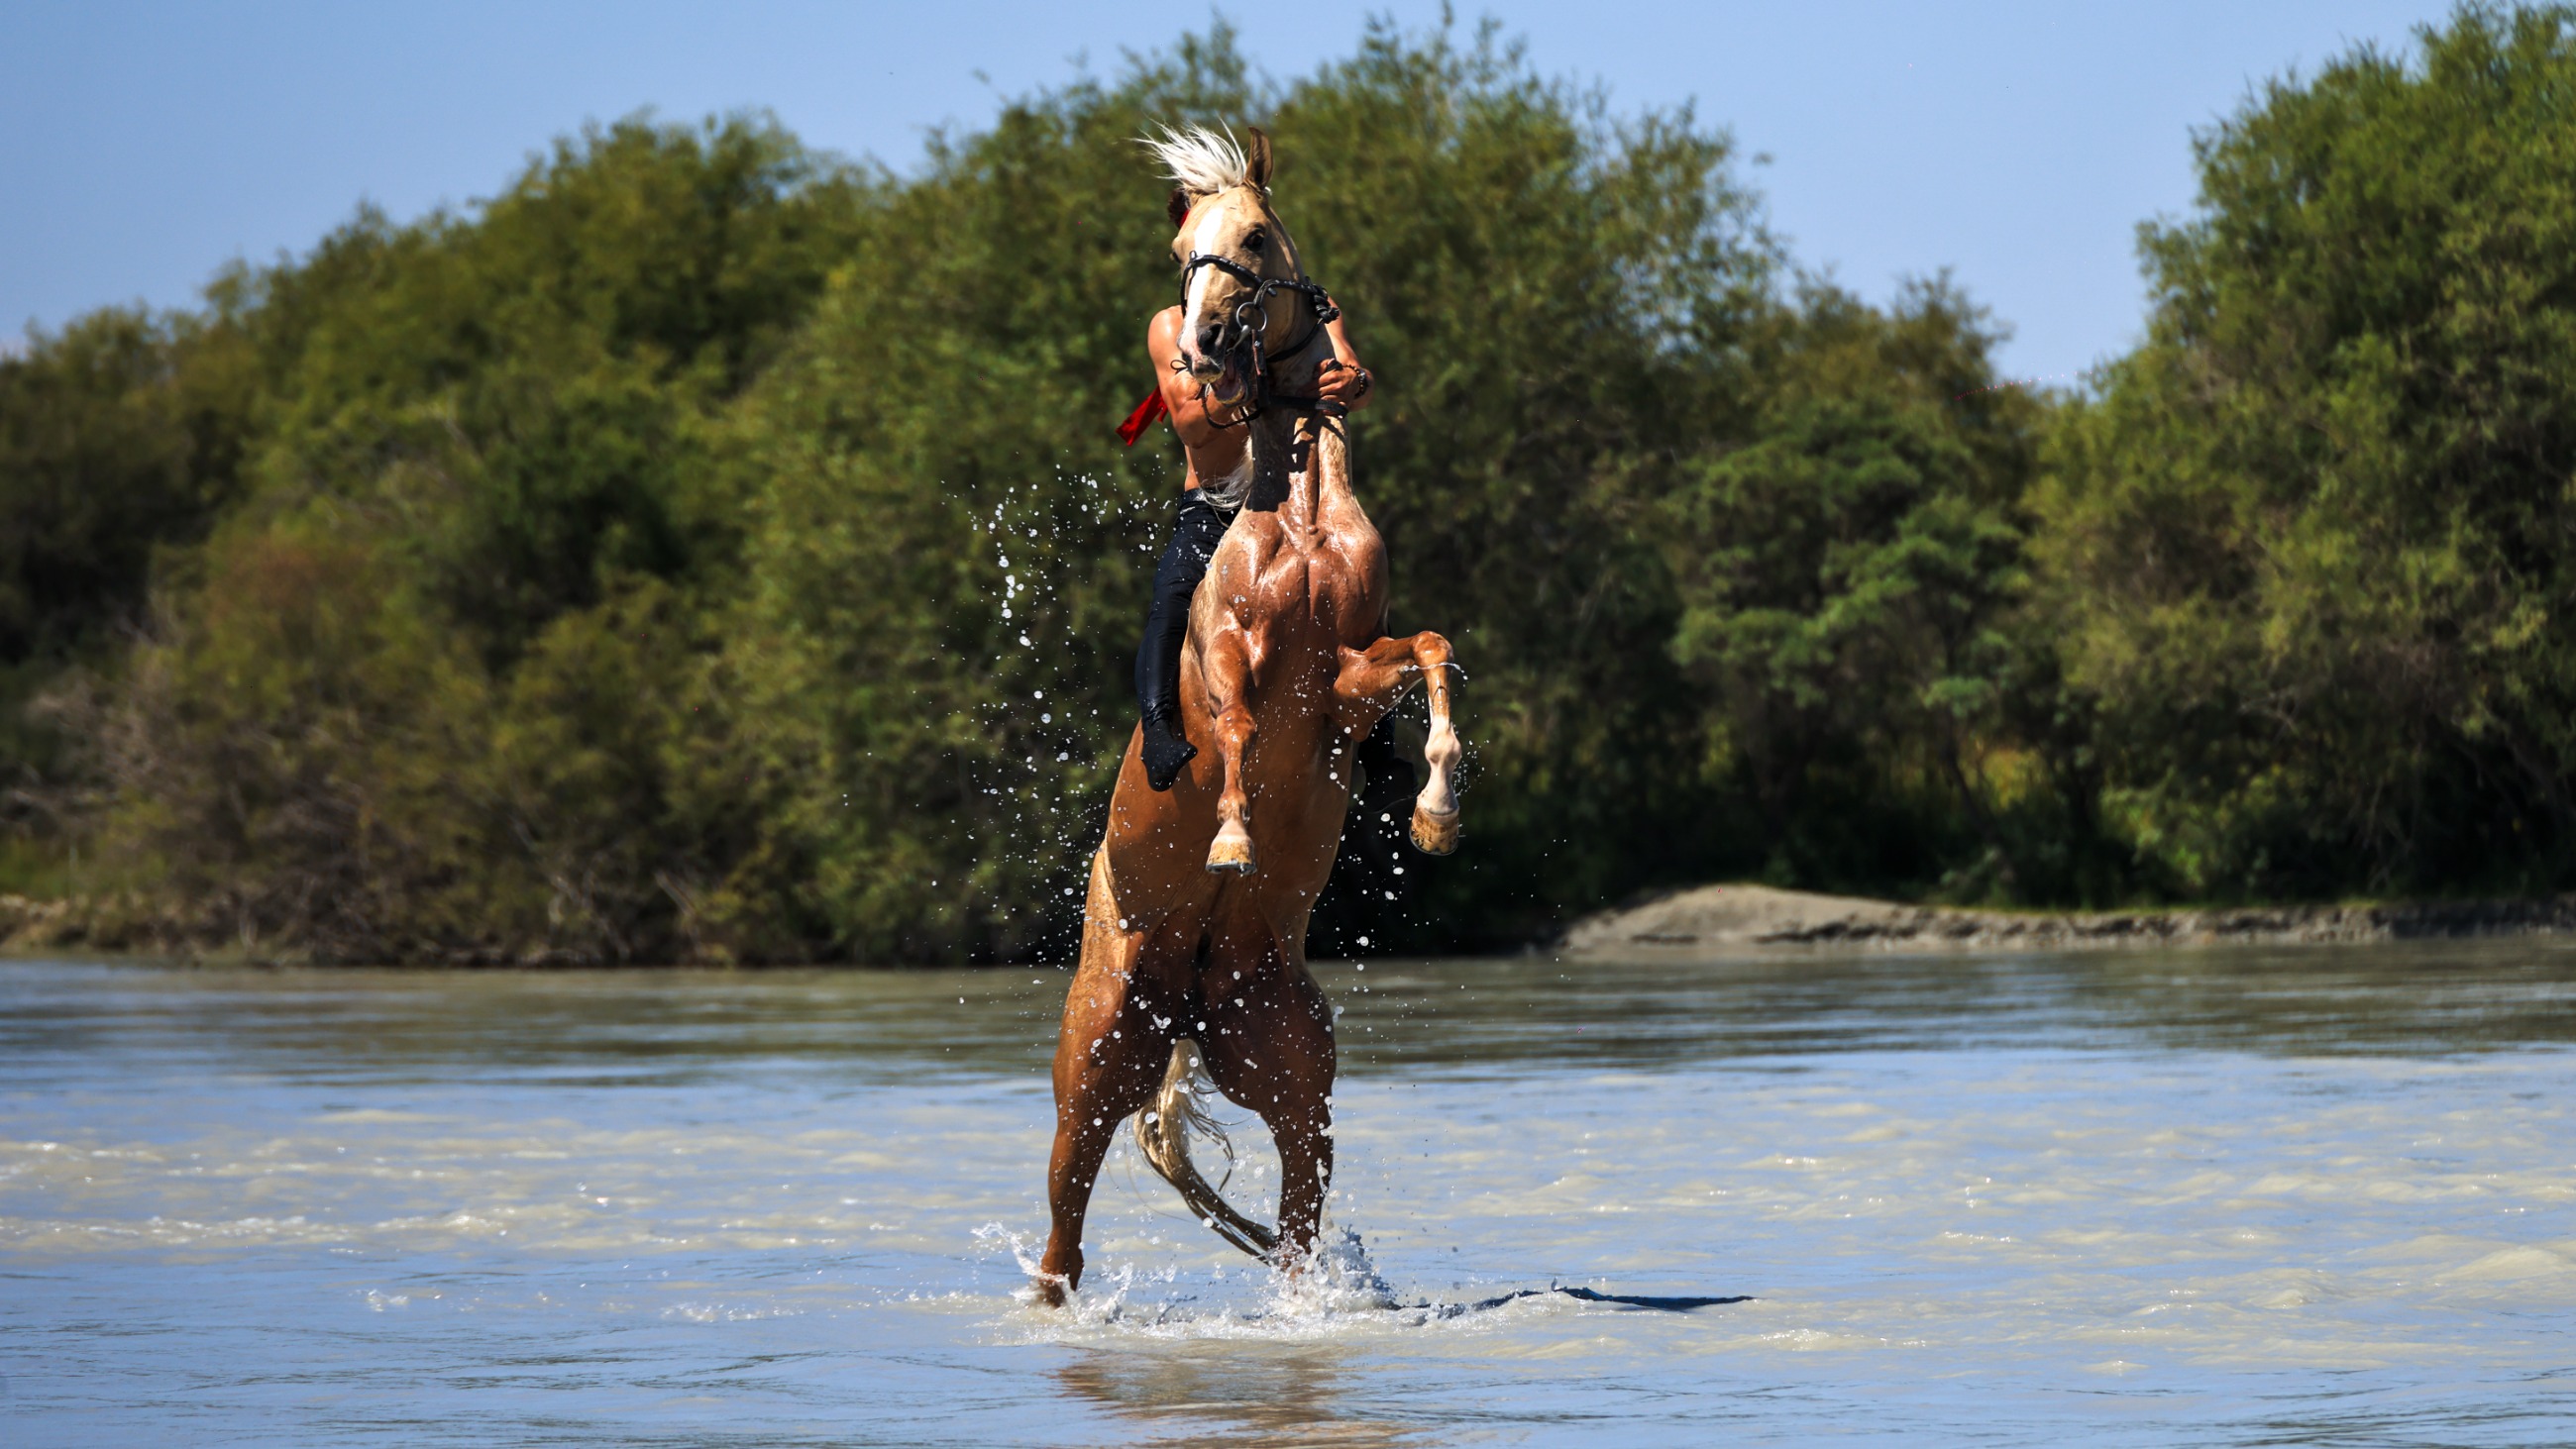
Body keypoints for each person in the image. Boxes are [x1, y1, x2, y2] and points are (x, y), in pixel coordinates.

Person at [1120, 289, 1377, 791]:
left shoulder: (1312, 307)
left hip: (1294, 506)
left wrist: (1354, 382)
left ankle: (1384, 759)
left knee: (1361, 597)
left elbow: (1357, 380)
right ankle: (1158, 731)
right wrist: (1247, 384)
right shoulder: (1171, 323)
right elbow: (1190, 422)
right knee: (1173, 596)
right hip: (1215, 506)